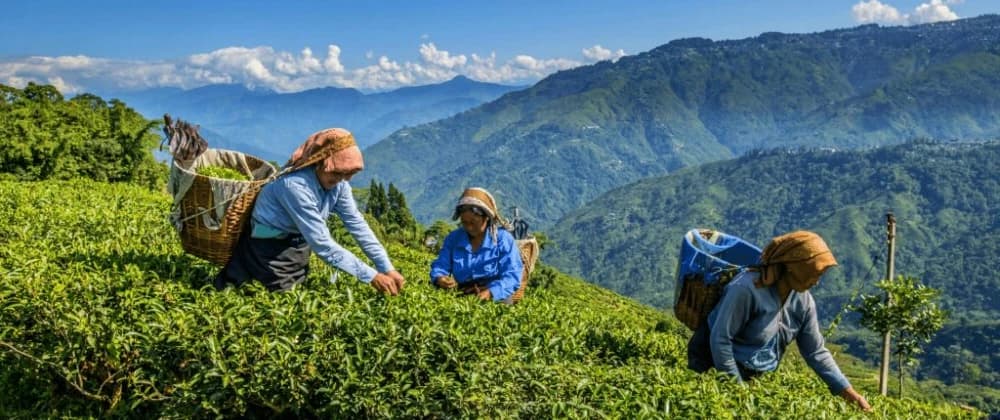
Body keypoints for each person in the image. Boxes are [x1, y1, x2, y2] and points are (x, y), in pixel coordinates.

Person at [687, 230, 871, 411]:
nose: (817, 281)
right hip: (711, 361)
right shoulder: (746, 289)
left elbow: (816, 352)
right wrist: (736, 388)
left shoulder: (803, 302)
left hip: (754, 372)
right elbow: (720, 340)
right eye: (814, 272)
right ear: (793, 266)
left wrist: (850, 394)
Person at [214, 128, 405, 295]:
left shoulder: (340, 185)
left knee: (294, 292)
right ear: (319, 163)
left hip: (297, 246)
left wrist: (386, 267)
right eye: (336, 172)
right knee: (270, 298)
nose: (342, 179)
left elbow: (357, 225)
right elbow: (322, 244)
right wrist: (371, 276)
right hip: (266, 249)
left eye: (348, 174)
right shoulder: (294, 186)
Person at [429, 187, 523, 303]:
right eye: (465, 222)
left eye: (473, 222)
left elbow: (512, 276)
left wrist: (491, 292)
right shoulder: (454, 238)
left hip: (496, 295)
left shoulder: (503, 239)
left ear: (486, 218)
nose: (469, 227)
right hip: (463, 292)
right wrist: (440, 278)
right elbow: (441, 265)